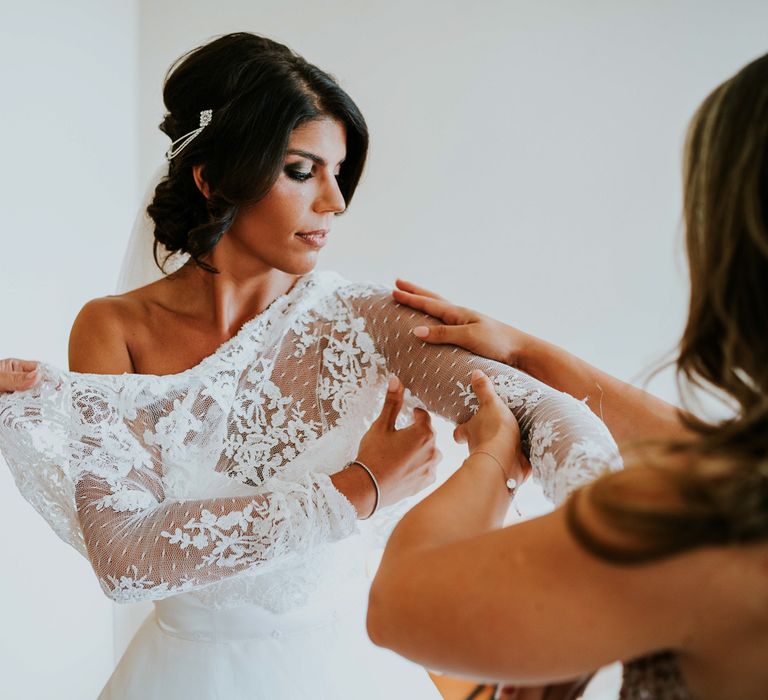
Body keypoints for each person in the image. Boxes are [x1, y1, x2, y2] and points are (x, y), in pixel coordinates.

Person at [0, 33, 618, 699]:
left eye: (337, 172)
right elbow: (124, 557)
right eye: (302, 171)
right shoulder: (113, 329)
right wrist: (362, 487)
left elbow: (536, 411)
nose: (336, 202)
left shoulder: (363, 318)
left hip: (342, 671)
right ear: (212, 178)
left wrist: (606, 531)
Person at [367, 52, 768, 700]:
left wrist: (492, 458)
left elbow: (399, 605)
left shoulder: (711, 520)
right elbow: (709, 448)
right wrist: (530, 354)